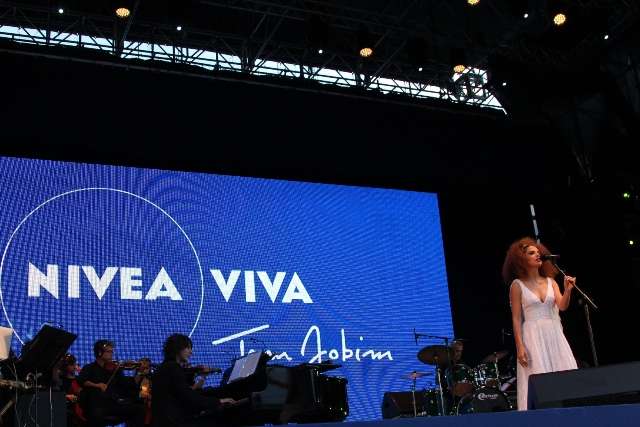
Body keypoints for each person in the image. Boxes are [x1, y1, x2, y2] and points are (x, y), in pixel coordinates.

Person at [502, 237, 578, 410]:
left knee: (562, 373)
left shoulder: (551, 282)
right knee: (540, 377)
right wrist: (520, 346)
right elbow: (516, 318)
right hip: (532, 334)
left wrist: (567, 290)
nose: (538, 255)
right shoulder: (517, 285)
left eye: (538, 252)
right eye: (532, 253)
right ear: (521, 260)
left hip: (553, 331)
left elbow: (562, 306)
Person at [151, 333, 237, 427]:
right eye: (188, 348)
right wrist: (217, 402)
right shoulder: (174, 368)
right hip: (176, 422)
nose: (191, 352)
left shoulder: (163, 367)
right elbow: (188, 396)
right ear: (178, 348)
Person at [75, 340, 148, 427]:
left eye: (112, 352)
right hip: (95, 405)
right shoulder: (89, 368)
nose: (112, 354)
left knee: (140, 410)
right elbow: (80, 380)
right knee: (96, 414)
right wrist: (95, 385)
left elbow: (127, 387)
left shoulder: (116, 370)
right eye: (109, 352)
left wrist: (139, 372)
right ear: (99, 352)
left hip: (113, 405)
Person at [52, 353, 81, 426]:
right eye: (71, 364)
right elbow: (57, 392)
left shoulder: (79, 379)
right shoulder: (61, 379)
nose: (74, 366)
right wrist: (67, 396)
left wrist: (83, 375)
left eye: (75, 364)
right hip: (67, 405)